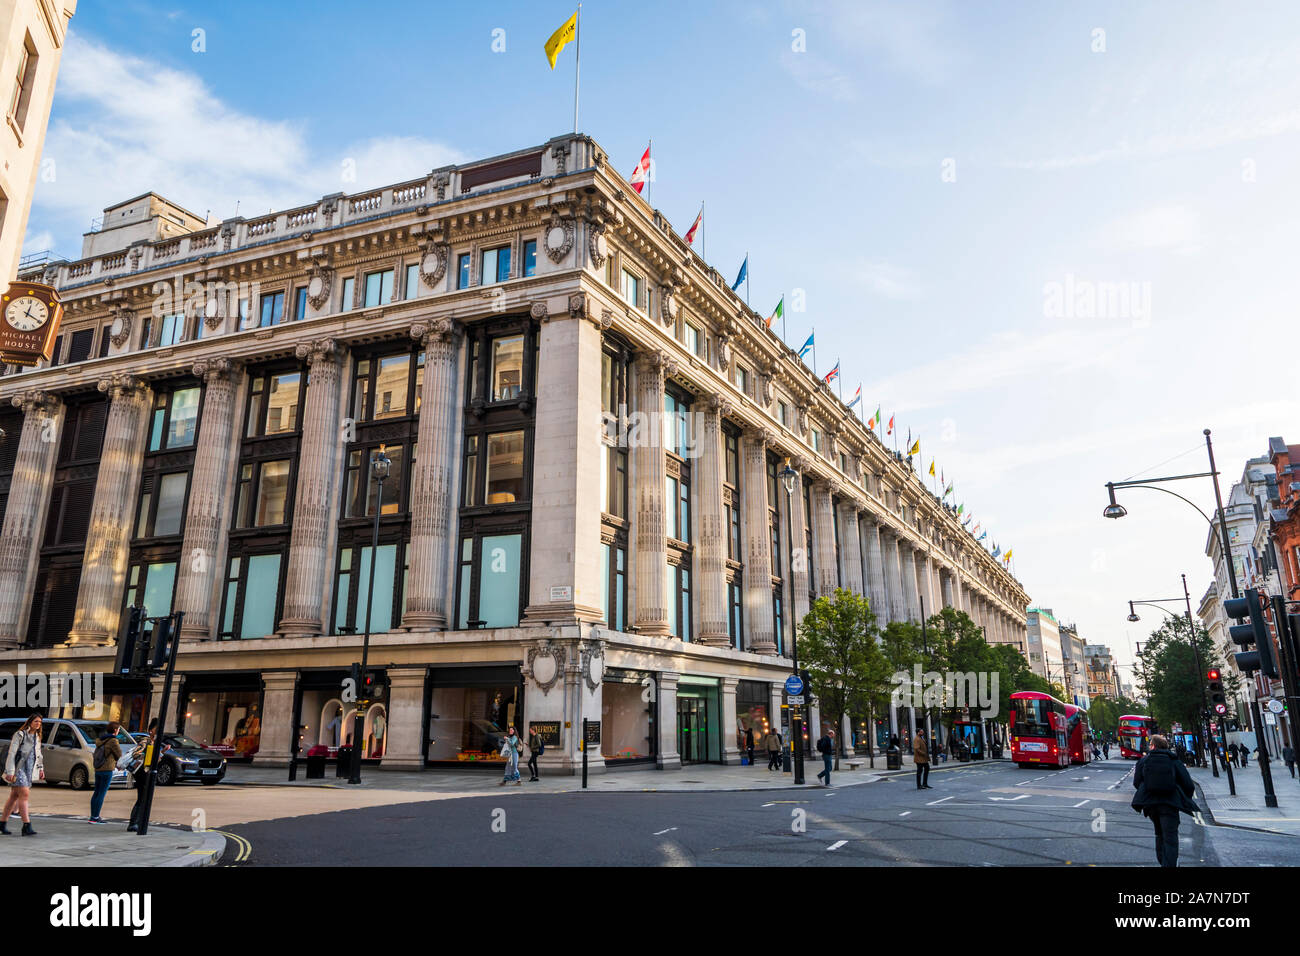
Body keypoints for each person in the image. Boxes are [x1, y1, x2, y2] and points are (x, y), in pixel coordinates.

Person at [1131, 735, 1197, 868]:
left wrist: (1149, 791)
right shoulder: (1174, 760)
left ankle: (1163, 861)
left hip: (1151, 805)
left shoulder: (1144, 761)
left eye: (1150, 744)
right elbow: (1188, 785)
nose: (1149, 746)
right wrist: (1183, 798)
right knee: (1170, 838)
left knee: (1159, 833)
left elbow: (1137, 782)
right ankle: (1169, 864)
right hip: (1170, 804)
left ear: (1154, 746)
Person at [1, 714, 45, 835]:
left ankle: (2, 823)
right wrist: (10, 771)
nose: (38, 724)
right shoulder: (19, 734)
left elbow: (39, 755)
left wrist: (41, 769)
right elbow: (11, 753)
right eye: (36, 721)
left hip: (29, 769)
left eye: (40, 722)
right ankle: (26, 825)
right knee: (24, 793)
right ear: (30, 722)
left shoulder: (37, 737)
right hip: (18, 769)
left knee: (14, 796)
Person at [89, 721, 123, 824]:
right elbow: (119, 754)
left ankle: (92, 816)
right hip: (107, 769)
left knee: (96, 792)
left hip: (98, 768)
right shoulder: (113, 741)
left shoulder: (101, 740)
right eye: (119, 730)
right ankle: (95, 817)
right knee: (101, 793)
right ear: (115, 730)